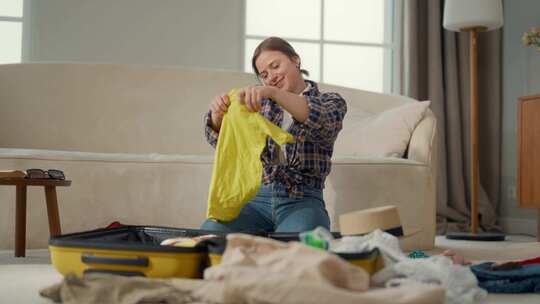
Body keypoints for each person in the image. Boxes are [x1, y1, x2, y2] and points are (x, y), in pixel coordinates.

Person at [200, 37, 347, 233]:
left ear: (295, 60)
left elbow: (322, 122)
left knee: (299, 247)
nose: (271, 77)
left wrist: (274, 93)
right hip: (254, 199)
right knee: (208, 234)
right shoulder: (258, 106)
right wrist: (218, 116)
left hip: (302, 200)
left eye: (275, 66)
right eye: (264, 74)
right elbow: (226, 142)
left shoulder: (331, 101)